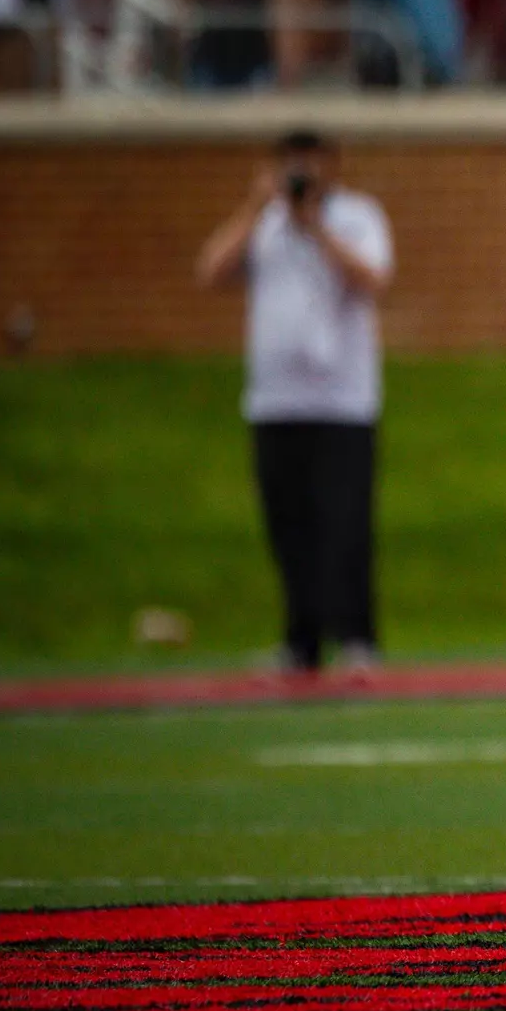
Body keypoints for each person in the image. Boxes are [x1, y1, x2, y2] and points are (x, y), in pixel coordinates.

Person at [196, 129, 394, 674]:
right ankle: (301, 641)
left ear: (334, 164)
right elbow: (210, 270)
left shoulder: (357, 216)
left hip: (343, 400)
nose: (303, 173)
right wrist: (256, 207)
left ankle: (357, 639)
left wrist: (315, 227)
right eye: (291, 163)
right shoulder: (264, 222)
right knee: (288, 526)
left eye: (311, 162)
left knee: (346, 523)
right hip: (275, 399)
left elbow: (373, 278)